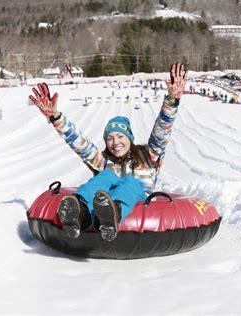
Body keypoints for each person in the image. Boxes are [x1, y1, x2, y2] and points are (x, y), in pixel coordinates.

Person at [29, 62, 187, 242]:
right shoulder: (104, 161)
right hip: (102, 204)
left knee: (129, 182)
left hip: (138, 203)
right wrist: (55, 117)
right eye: (110, 138)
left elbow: (162, 130)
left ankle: (113, 214)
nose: (115, 142)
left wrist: (172, 101)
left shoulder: (148, 156)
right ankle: (78, 212)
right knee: (106, 177)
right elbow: (79, 143)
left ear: (129, 138)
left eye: (120, 136)